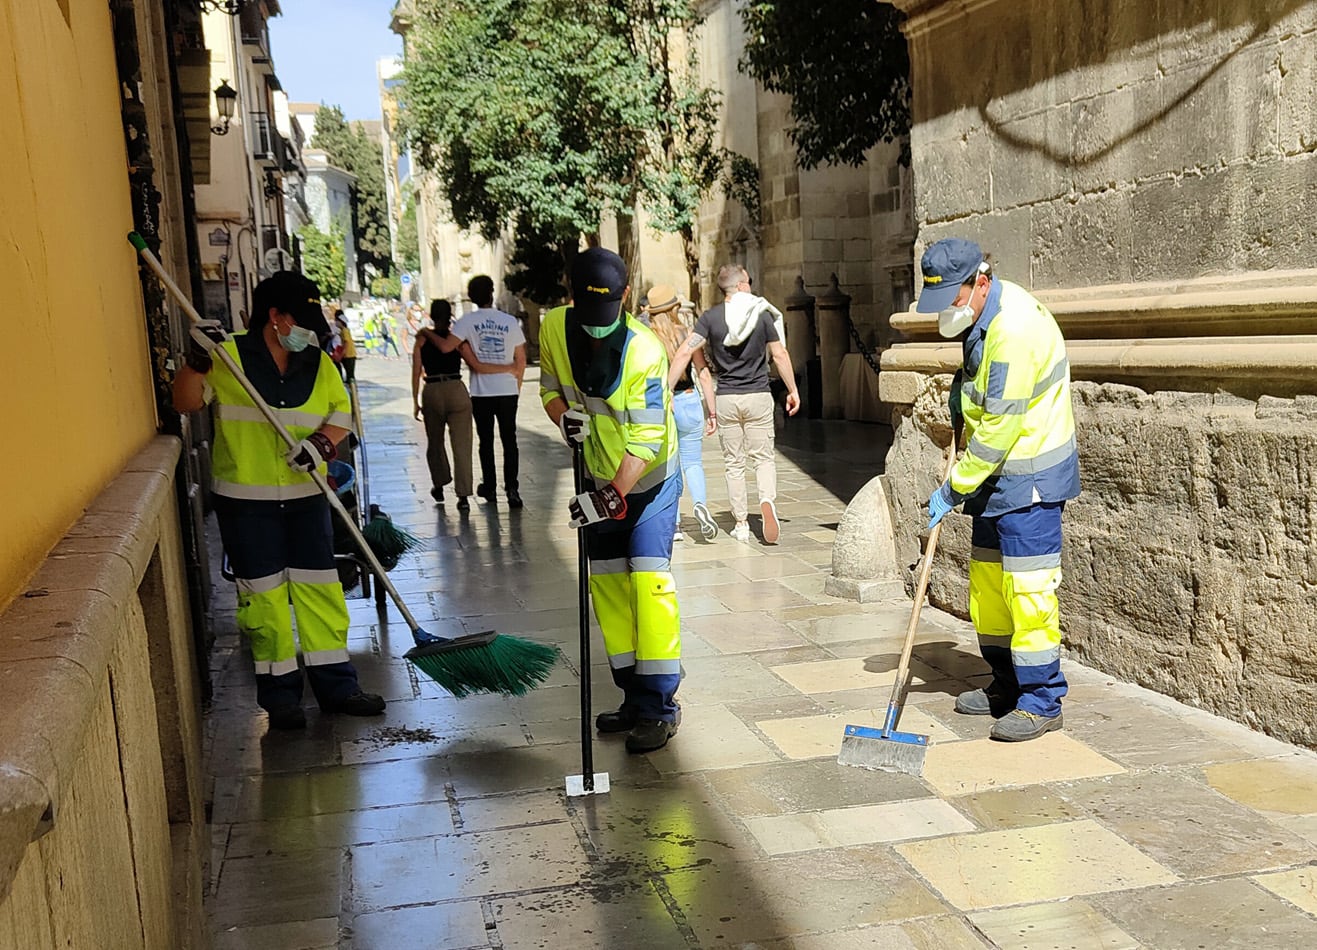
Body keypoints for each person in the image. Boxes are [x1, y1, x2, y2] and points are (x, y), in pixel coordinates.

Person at [172, 271, 386, 731]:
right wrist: (195, 362)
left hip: (308, 498)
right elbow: (185, 402)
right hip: (247, 505)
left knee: (320, 593)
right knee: (264, 603)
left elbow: (340, 415)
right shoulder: (226, 356)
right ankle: (281, 696)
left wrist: (322, 447)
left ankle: (338, 686)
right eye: (301, 319)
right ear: (275, 317)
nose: (310, 330)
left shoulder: (317, 361)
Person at [919, 238, 1081, 743]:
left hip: (1028, 480)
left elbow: (1000, 429)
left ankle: (1041, 699)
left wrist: (953, 487)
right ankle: (1006, 683)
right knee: (990, 590)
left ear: (980, 283)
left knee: (1029, 594)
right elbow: (983, 396)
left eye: (951, 297)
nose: (946, 309)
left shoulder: (1013, 330)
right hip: (995, 480)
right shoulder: (983, 318)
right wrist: (957, 401)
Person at [539, 247, 683, 754]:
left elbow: (645, 443)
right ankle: (632, 696)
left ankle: (659, 707)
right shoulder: (555, 328)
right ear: (570, 295)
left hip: (648, 484)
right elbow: (550, 387)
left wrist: (609, 498)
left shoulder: (645, 351)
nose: (596, 326)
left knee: (648, 588)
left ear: (626, 297)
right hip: (600, 475)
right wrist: (563, 416)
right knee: (609, 592)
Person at [667, 265, 800, 544]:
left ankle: (740, 523)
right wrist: (792, 389)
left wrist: (667, 390)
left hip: (727, 396)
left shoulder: (709, 319)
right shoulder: (761, 315)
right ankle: (766, 500)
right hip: (758, 395)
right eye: (748, 282)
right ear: (740, 286)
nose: (750, 286)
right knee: (763, 458)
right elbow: (780, 354)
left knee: (734, 463)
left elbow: (684, 352)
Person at [420, 276, 527, 508]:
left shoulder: (466, 322)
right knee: (510, 441)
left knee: (485, 441)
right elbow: (521, 360)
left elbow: (447, 346)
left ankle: (489, 486)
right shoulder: (509, 322)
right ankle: (512, 489)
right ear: (491, 292)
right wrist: (515, 386)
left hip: (482, 392)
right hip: (507, 390)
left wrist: (426, 332)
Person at [646, 284, 719, 541]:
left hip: (664, 404)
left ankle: (674, 524)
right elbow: (703, 373)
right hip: (689, 401)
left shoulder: (647, 337)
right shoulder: (687, 334)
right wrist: (712, 411)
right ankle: (700, 505)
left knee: (669, 465)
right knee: (693, 462)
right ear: (675, 308)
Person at [413, 299, 475, 511]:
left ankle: (439, 484)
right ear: (450, 315)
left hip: (432, 390)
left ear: (431, 315)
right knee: (462, 445)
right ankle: (464, 495)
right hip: (456, 387)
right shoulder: (456, 339)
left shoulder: (422, 340)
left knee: (435, 441)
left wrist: (415, 400)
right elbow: (471, 360)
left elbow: (415, 371)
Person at [334, 310, 358, 383]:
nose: (335, 322)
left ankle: (353, 391)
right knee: (349, 375)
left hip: (349, 355)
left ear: (341, 322)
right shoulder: (343, 331)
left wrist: (342, 353)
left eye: (336, 320)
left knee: (350, 375)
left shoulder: (345, 331)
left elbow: (346, 342)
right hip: (348, 355)